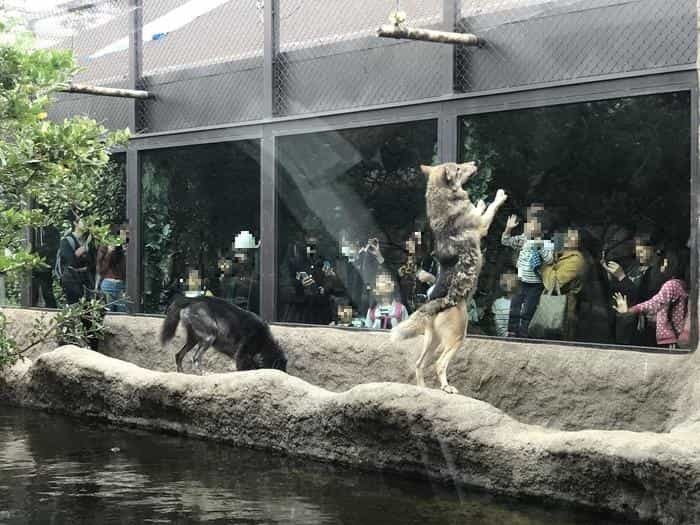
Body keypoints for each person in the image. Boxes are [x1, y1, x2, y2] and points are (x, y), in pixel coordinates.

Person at [612, 252, 689, 348]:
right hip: (675, 334)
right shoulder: (682, 284)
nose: (663, 265)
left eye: (667, 262)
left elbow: (654, 303)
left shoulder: (672, 285)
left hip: (669, 337)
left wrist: (630, 311)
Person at [602, 233, 665, 346]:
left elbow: (645, 297)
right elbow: (622, 289)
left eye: (643, 249)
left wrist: (621, 277)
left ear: (655, 249)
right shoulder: (633, 267)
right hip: (624, 323)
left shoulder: (658, 272)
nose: (638, 252)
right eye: (637, 248)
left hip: (643, 328)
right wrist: (611, 277)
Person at [501, 211, 554, 337]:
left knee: (528, 309)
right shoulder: (524, 239)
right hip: (521, 280)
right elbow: (505, 241)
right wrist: (508, 228)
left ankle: (524, 332)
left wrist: (539, 245)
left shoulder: (547, 244)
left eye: (534, 225)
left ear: (544, 230)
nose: (530, 226)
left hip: (536, 283)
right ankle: (512, 331)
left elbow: (549, 260)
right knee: (515, 306)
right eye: (530, 223)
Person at [540, 228, 587, 340]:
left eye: (573, 235)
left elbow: (552, 283)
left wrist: (544, 266)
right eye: (566, 234)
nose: (568, 237)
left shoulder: (575, 260)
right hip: (550, 310)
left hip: (563, 312)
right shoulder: (558, 255)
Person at [58, 218, 96, 305]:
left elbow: (93, 262)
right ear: (75, 223)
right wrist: (82, 250)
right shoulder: (66, 241)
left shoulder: (90, 241)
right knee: (74, 307)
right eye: (84, 221)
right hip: (71, 280)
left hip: (86, 280)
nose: (87, 224)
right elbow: (71, 261)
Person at [96, 232, 127, 312]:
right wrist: (109, 253)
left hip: (121, 286)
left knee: (122, 316)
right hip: (108, 285)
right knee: (108, 315)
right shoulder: (104, 248)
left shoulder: (124, 250)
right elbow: (101, 270)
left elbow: (125, 270)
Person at [491, 269, 518, 337]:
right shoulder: (497, 303)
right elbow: (499, 329)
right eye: (504, 278)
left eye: (510, 277)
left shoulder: (526, 302)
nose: (507, 280)